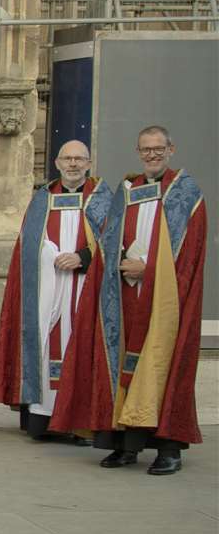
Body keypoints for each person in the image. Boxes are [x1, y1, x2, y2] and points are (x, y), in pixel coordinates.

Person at [53, 126, 206, 475]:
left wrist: (148, 269)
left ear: (171, 149)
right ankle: (124, 444)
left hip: (164, 297)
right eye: (145, 149)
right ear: (138, 152)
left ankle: (168, 448)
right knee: (121, 368)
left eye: (158, 149)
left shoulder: (186, 193)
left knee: (161, 368)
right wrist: (120, 263)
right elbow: (108, 236)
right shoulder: (128, 190)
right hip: (123, 293)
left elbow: (190, 255)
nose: (152, 155)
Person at [0, 141, 98, 440]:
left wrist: (82, 257)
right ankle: (43, 420)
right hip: (44, 291)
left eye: (79, 159)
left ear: (88, 163)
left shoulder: (100, 197)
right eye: (67, 159)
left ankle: (77, 421)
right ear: (58, 163)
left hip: (84, 290)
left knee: (79, 346)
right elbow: (26, 247)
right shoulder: (42, 198)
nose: (73, 164)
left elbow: (112, 240)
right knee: (47, 349)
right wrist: (47, 255)